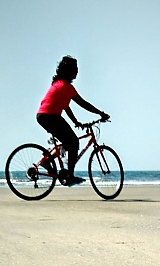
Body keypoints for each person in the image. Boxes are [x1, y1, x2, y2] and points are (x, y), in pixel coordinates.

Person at [37, 56, 109, 186]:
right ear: (68, 71)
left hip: (45, 116)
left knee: (68, 142)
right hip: (50, 116)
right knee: (74, 143)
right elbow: (83, 103)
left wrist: (76, 122)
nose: (76, 72)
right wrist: (101, 113)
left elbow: (66, 107)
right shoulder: (65, 86)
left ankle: (49, 161)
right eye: (74, 69)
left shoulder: (58, 84)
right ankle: (69, 176)